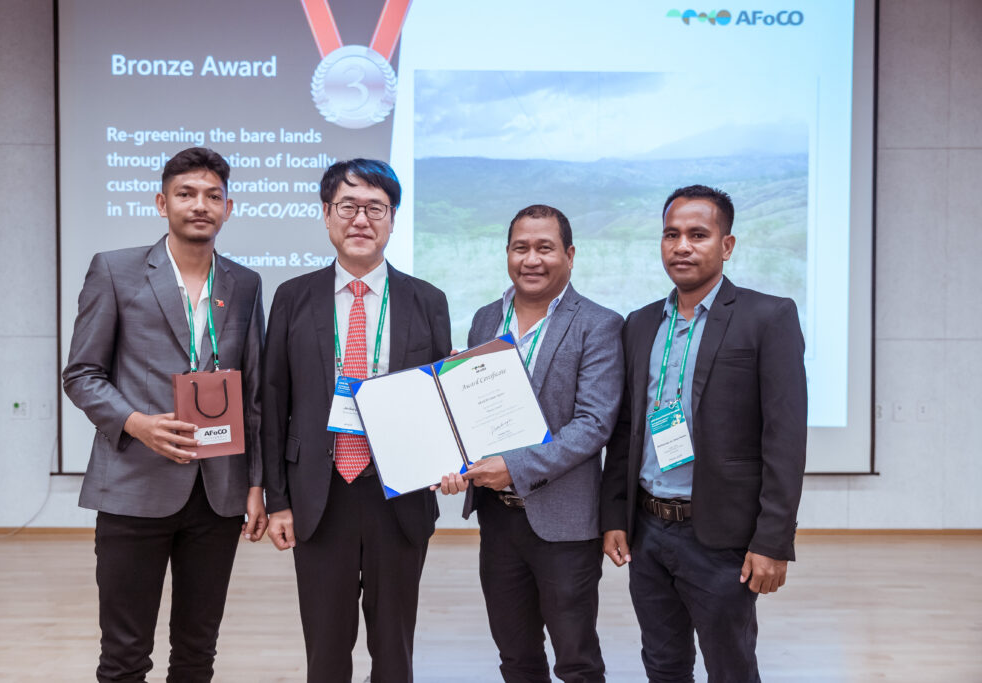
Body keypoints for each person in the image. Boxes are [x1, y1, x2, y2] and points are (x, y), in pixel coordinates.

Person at [62, 147, 267, 683]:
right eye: (186, 194)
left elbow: (253, 395)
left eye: (213, 196)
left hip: (217, 494)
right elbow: (81, 374)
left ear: (228, 208)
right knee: (124, 656)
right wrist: (137, 423)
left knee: (198, 653)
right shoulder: (115, 270)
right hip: (133, 485)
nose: (200, 205)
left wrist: (255, 484)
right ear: (162, 203)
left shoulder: (245, 284)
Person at [600, 185, 807, 682]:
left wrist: (773, 541)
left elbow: (785, 439)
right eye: (671, 235)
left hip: (721, 538)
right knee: (663, 665)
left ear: (726, 245)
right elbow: (627, 429)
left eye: (698, 235)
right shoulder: (640, 323)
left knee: (730, 669)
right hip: (648, 529)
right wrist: (615, 515)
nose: (682, 246)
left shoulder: (768, 317)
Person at [261, 159, 451, 682]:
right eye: (348, 206)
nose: (361, 219)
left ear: (393, 219)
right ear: (326, 214)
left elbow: (439, 402)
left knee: (394, 651)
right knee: (325, 651)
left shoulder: (427, 300)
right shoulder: (293, 297)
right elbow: (273, 403)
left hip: (400, 495)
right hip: (319, 496)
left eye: (375, 208)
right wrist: (278, 500)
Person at [438, 204, 624, 682]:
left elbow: (593, 424)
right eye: (521, 248)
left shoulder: (599, 323)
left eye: (545, 247)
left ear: (570, 255)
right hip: (498, 518)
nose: (532, 259)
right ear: (507, 253)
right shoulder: (485, 319)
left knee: (577, 662)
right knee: (516, 658)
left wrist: (514, 468)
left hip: (564, 523)